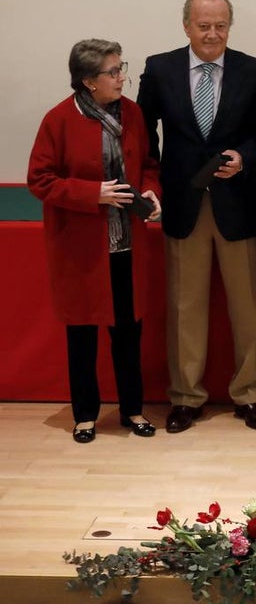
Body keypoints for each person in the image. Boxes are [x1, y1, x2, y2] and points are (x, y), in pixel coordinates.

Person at [138, 0, 256, 433]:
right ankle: (185, 398)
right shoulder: (159, 69)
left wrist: (244, 157)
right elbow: (142, 134)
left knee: (247, 304)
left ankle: (249, 394)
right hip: (183, 203)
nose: (212, 34)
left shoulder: (253, 70)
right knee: (185, 305)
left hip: (240, 203)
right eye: (203, 25)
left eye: (220, 26)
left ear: (230, 27)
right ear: (186, 26)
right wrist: (152, 181)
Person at [28, 39, 161, 442]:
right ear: (88, 81)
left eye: (122, 68)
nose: (123, 77)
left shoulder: (134, 113)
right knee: (83, 335)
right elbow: (40, 180)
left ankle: (133, 411)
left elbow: (151, 164)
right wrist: (93, 194)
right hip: (83, 249)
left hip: (127, 244)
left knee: (128, 332)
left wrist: (153, 192)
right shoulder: (58, 120)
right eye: (113, 71)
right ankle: (84, 415)